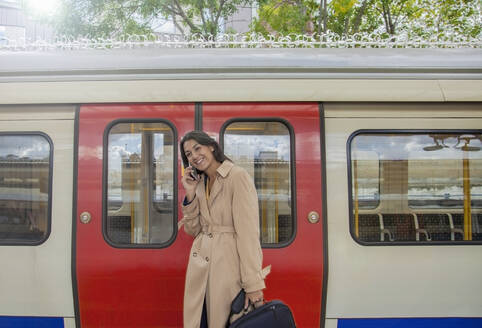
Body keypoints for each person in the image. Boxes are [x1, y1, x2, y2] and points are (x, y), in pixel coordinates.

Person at [179, 130, 270, 328]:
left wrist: (253, 285)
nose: (194, 156)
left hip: (228, 270)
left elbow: (248, 235)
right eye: (188, 154)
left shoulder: (237, 177)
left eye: (197, 148)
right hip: (200, 271)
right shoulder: (201, 183)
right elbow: (193, 229)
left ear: (211, 146)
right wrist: (190, 193)